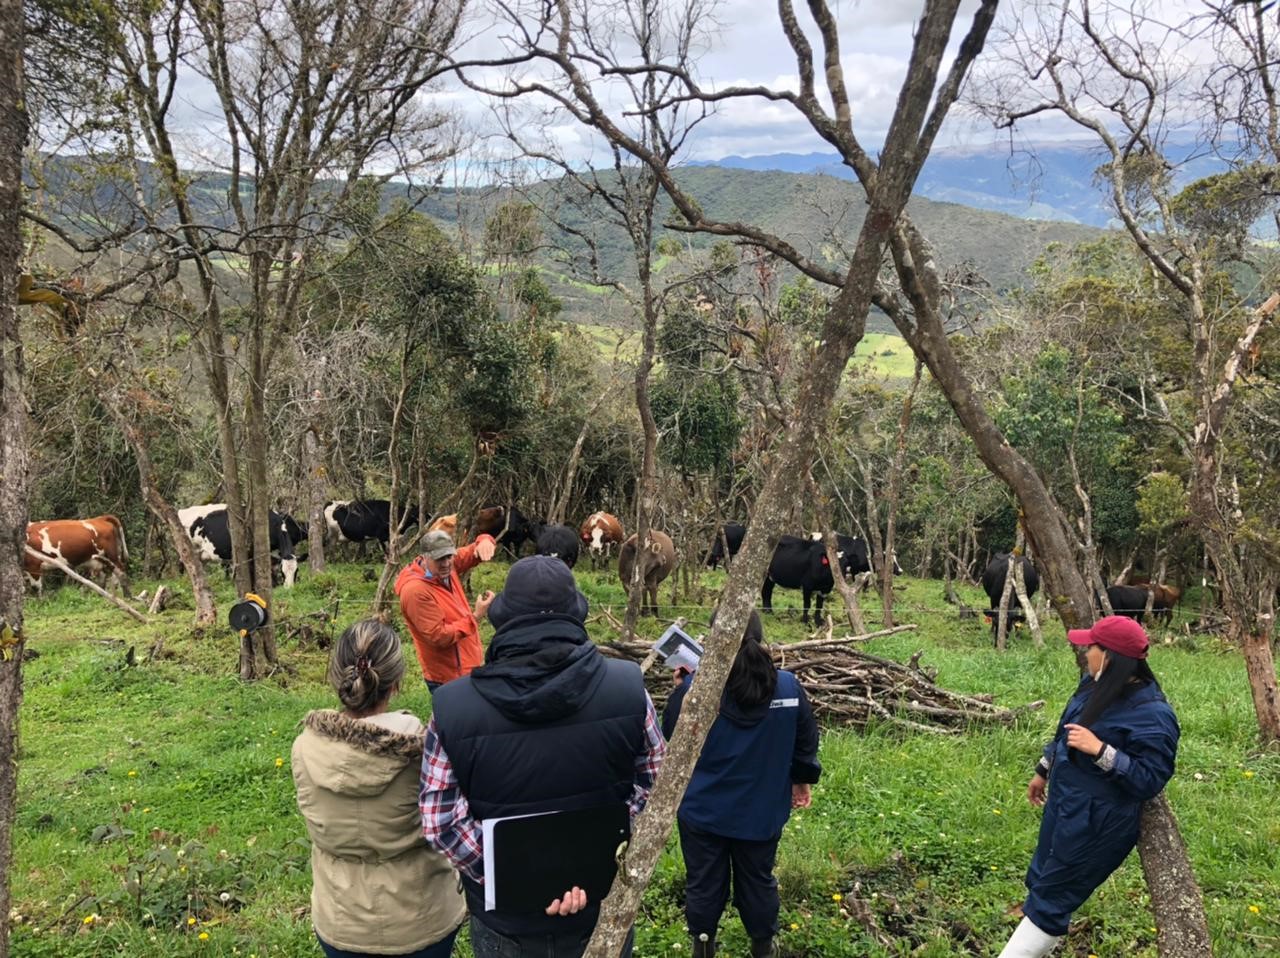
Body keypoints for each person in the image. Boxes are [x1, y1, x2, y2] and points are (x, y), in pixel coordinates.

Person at [420, 555, 666, 958]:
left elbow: (440, 821)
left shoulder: (452, 707)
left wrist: (519, 878)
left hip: (507, 923)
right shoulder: (628, 689)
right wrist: (596, 862)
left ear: (504, 620)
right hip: (599, 908)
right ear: (576, 615)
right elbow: (657, 791)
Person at [999, 615, 1180, 958]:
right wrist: (1044, 769)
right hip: (1066, 803)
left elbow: (1149, 779)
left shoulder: (1153, 715)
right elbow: (1067, 730)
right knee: (1040, 877)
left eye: (1091, 648)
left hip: (1099, 821)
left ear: (1110, 656)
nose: (1085, 654)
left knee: (1054, 896)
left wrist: (1101, 751)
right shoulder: (1094, 685)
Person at [292, 619, 466, 958]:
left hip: (340, 919)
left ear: (337, 678)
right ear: (396, 683)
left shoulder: (304, 748)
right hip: (423, 916)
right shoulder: (425, 751)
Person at [662, 610, 822, 958]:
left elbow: (671, 738)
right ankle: (763, 947)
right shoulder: (787, 687)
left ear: (715, 638)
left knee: (703, 883)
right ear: (760, 638)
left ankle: (702, 947)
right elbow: (806, 742)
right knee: (758, 880)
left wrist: (680, 692)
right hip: (761, 811)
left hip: (703, 811)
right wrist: (802, 780)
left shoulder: (696, 689)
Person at [395, 528, 497, 690]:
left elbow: (472, 551)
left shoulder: (446, 567)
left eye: (449, 556)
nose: (446, 563)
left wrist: (485, 540)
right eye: (439, 559)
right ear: (425, 557)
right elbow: (439, 636)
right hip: (448, 676)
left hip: (466, 666)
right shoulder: (415, 591)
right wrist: (476, 617)